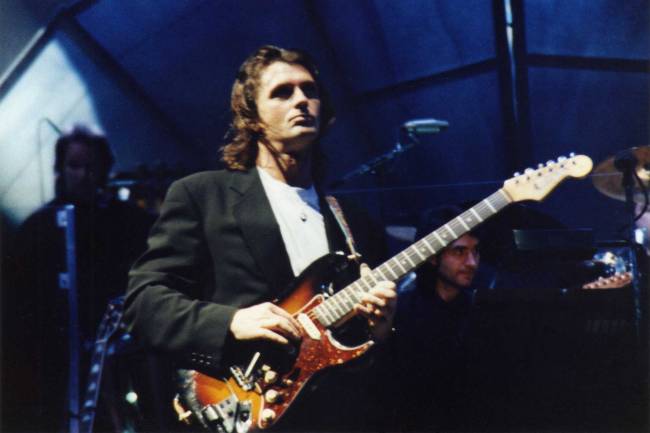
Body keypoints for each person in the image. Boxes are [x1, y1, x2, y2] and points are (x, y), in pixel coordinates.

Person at [124, 45, 397, 431]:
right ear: (251, 117)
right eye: (282, 92)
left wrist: (380, 331)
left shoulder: (354, 221)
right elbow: (144, 304)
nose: (301, 100)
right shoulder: (202, 195)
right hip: (242, 411)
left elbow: (366, 353)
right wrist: (230, 321)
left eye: (310, 90)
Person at [3, 126, 154, 432]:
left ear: (103, 170)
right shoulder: (39, 227)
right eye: (74, 166)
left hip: (114, 360)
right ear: (61, 169)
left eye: (91, 166)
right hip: (55, 364)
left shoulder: (125, 220)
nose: (83, 175)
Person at [386, 205, 481, 432]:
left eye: (475, 251)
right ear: (432, 257)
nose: (472, 262)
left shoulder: (479, 310)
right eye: (459, 252)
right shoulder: (403, 311)